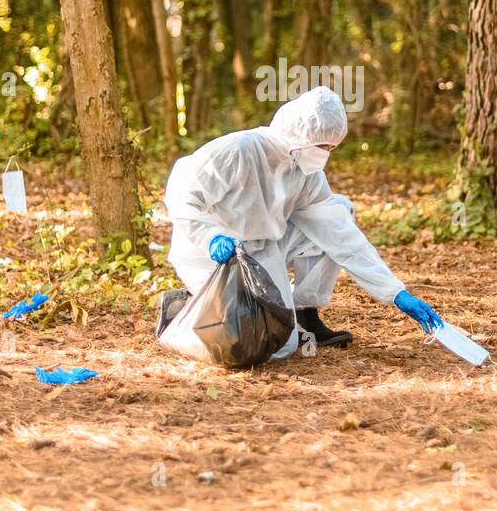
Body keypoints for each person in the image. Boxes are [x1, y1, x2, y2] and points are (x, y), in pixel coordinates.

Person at [162, 86, 442, 358]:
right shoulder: (241, 149)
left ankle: (306, 314)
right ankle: (182, 312)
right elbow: (182, 191)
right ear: (299, 134)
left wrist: (395, 292)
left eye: (332, 147)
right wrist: (210, 236)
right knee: (250, 341)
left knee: (282, 342)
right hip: (211, 253)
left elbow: (340, 234)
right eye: (323, 145)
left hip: (261, 247)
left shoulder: (307, 173)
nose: (326, 153)